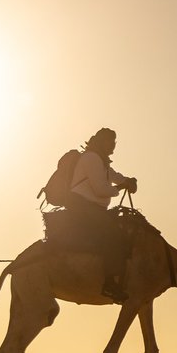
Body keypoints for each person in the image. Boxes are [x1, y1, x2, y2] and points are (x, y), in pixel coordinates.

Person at [63, 128, 138, 302]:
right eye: (111, 142)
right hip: (83, 208)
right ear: (102, 142)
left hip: (92, 209)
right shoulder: (91, 158)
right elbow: (101, 189)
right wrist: (119, 189)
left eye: (114, 142)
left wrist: (127, 181)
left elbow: (114, 176)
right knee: (114, 236)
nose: (113, 145)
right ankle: (110, 284)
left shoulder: (101, 161)